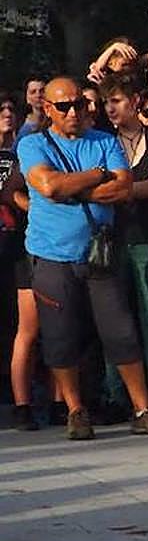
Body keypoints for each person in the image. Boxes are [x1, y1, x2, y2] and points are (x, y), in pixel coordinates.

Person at [18, 76, 148, 439]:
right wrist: (96, 175)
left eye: (79, 104)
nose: (73, 112)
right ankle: (76, 410)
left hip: (100, 255)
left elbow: (123, 188)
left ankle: (143, 409)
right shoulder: (32, 144)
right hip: (52, 255)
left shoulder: (104, 140)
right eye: (64, 107)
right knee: (61, 337)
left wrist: (73, 188)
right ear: (48, 109)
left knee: (121, 332)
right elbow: (48, 186)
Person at [98, 73, 148, 415]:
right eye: (106, 102)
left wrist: (110, 189)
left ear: (135, 101)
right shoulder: (102, 141)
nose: (110, 108)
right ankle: (115, 395)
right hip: (111, 239)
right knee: (115, 320)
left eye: (116, 100)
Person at [1, 93, 38, 429]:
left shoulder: (23, 151)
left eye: (11, 108)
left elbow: (19, 193)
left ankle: (27, 402)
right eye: (1, 109)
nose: (7, 114)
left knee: (26, 323)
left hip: (21, 244)